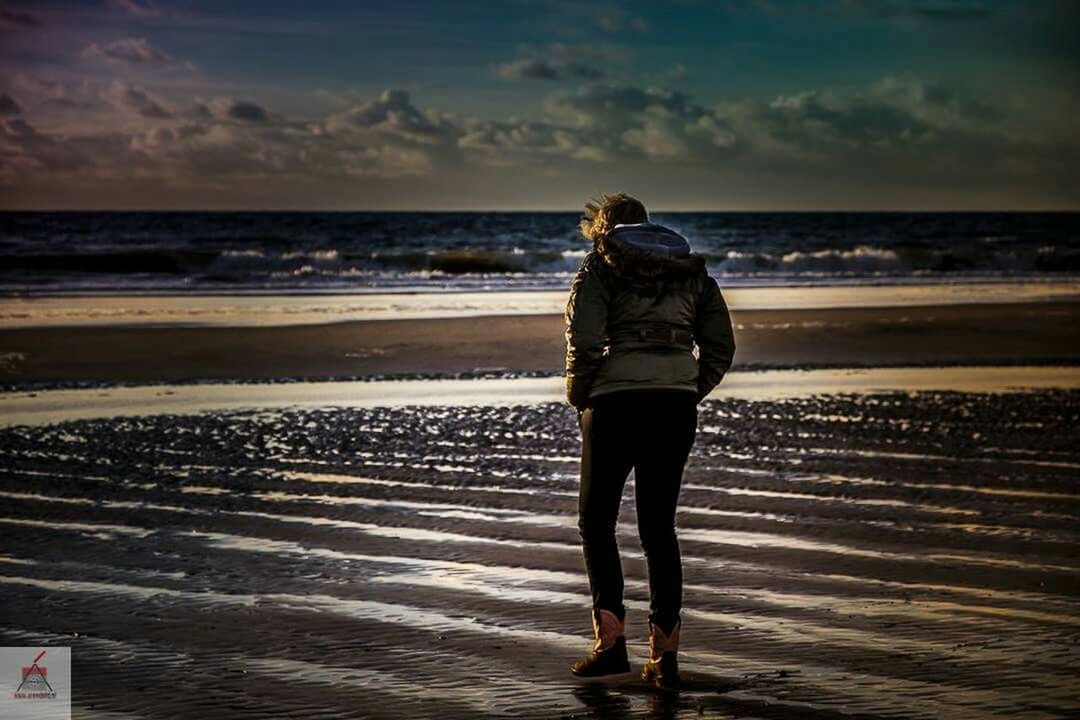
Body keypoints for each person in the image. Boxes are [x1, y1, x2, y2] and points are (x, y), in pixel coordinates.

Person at [565, 192, 736, 689]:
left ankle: (610, 645)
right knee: (658, 528)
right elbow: (721, 346)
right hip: (674, 407)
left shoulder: (600, 265)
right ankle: (665, 658)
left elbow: (584, 337)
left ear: (604, 228)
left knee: (596, 522)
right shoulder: (691, 270)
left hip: (614, 404)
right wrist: (688, 388)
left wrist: (581, 394)